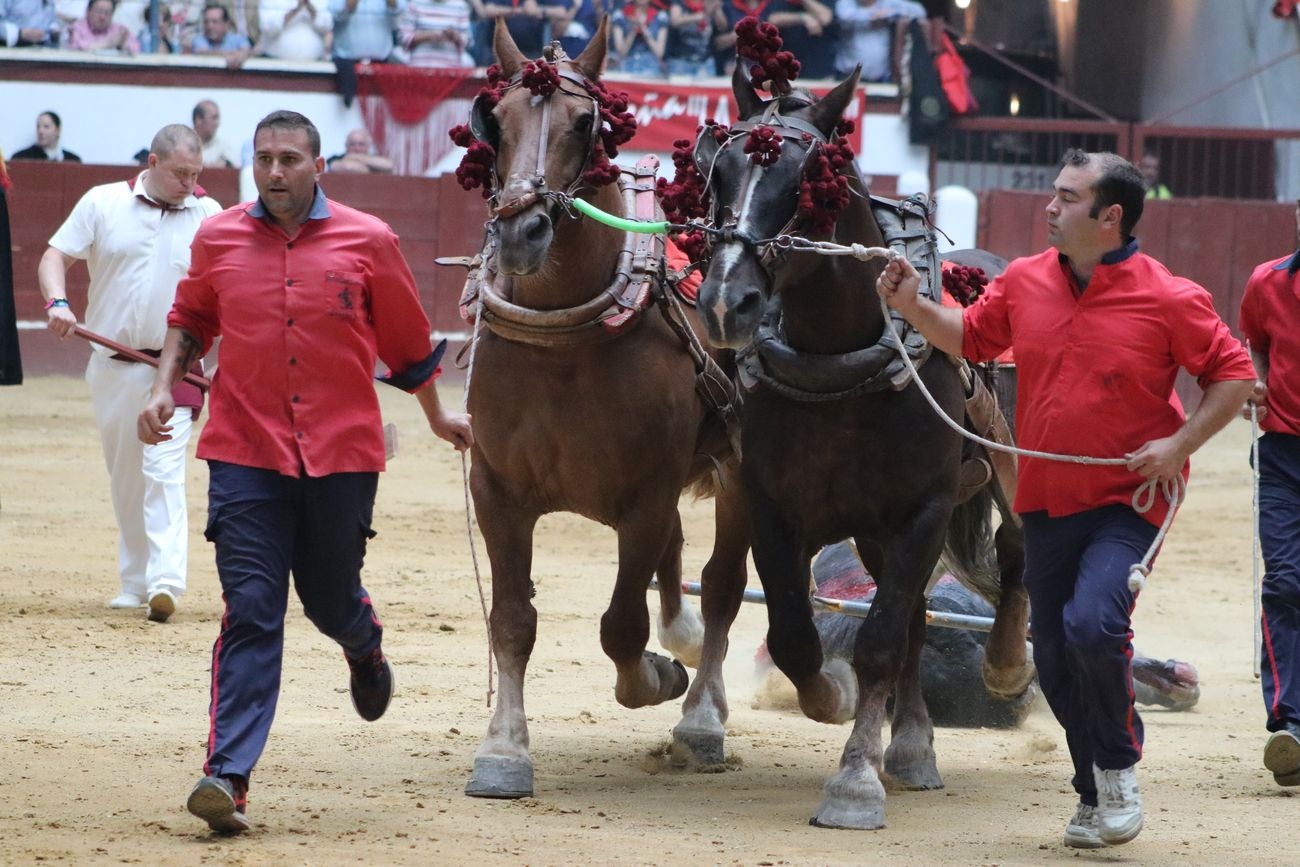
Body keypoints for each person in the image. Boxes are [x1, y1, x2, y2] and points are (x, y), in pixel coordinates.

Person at [876, 149, 1255, 849]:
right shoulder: (1023, 281)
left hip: (1131, 497)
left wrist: (1177, 448)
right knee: (1049, 653)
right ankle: (1092, 790)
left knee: (1092, 624)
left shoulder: (1170, 296)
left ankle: (1117, 769)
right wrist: (910, 305)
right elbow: (969, 336)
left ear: (1109, 217)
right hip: (1046, 500)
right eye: (1052, 194)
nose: (1049, 207)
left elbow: (1233, 377)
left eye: (1067, 197)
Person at [137, 110, 473, 834]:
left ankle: (363, 639)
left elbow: (410, 344)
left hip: (342, 454)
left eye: (290, 158)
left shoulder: (369, 239)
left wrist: (439, 418)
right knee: (253, 607)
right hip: (243, 453)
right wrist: (166, 384)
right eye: (264, 159)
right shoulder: (218, 235)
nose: (276, 171)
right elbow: (190, 316)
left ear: (319, 165)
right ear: (251, 166)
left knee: (326, 598)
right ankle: (227, 774)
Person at [37, 124, 220, 622]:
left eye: (196, 173)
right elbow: (56, 256)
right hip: (113, 364)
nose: (189, 182)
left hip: (177, 363)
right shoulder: (103, 202)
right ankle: (135, 580)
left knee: (163, 471)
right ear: (153, 163)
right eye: (181, 173)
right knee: (126, 476)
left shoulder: (209, 214)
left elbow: (230, 292)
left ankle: (165, 581)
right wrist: (58, 302)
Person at [1239, 197, 1300, 787]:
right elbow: (1254, 341)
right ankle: (1291, 725)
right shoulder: (1269, 282)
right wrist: (1256, 379)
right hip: (1283, 453)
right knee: (1284, 581)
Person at [833, 0, 926, 82]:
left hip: (881, 78)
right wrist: (872, 15)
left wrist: (891, 13)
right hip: (847, 77)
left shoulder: (888, 3)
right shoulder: (845, 3)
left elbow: (920, 11)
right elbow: (845, 16)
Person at [397, 0, 472, 67]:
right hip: (419, 67)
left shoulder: (461, 6)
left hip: (450, 70)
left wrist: (454, 36)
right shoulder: (414, 3)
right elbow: (402, 37)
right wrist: (427, 36)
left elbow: (468, 40)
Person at [608, 0, 668, 76]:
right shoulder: (620, 15)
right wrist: (633, 30)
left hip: (651, 65)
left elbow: (659, 53)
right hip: (627, 63)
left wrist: (643, 29)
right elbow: (621, 53)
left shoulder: (660, 16)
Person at [256, 0, 331, 59]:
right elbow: (268, 29)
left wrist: (309, 7)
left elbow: (327, 26)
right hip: (277, 64)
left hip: (315, 65)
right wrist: (296, 10)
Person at [67, 0, 140, 52]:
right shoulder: (77, 28)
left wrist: (123, 46)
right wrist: (110, 44)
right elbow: (77, 48)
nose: (102, 17)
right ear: (88, 11)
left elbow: (135, 50)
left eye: (107, 13)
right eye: (99, 11)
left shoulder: (119, 30)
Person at [11, 111, 82, 163]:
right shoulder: (21, 158)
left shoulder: (73, 160)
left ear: (58, 130)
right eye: (38, 127)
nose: (40, 131)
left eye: (46, 127)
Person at [192, 100, 242, 168]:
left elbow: (237, 166)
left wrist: (226, 164)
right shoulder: (183, 144)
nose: (217, 123)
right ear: (199, 120)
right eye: (214, 118)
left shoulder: (224, 146)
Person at [325, 127, 394, 173]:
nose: (357, 148)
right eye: (352, 144)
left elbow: (389, 166)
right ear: (346, 146)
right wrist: (374, 168)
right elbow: (347, 167)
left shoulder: (375, 156)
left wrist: (354, 157)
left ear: (368, 146)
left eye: (361, 144)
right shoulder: (335, 158)